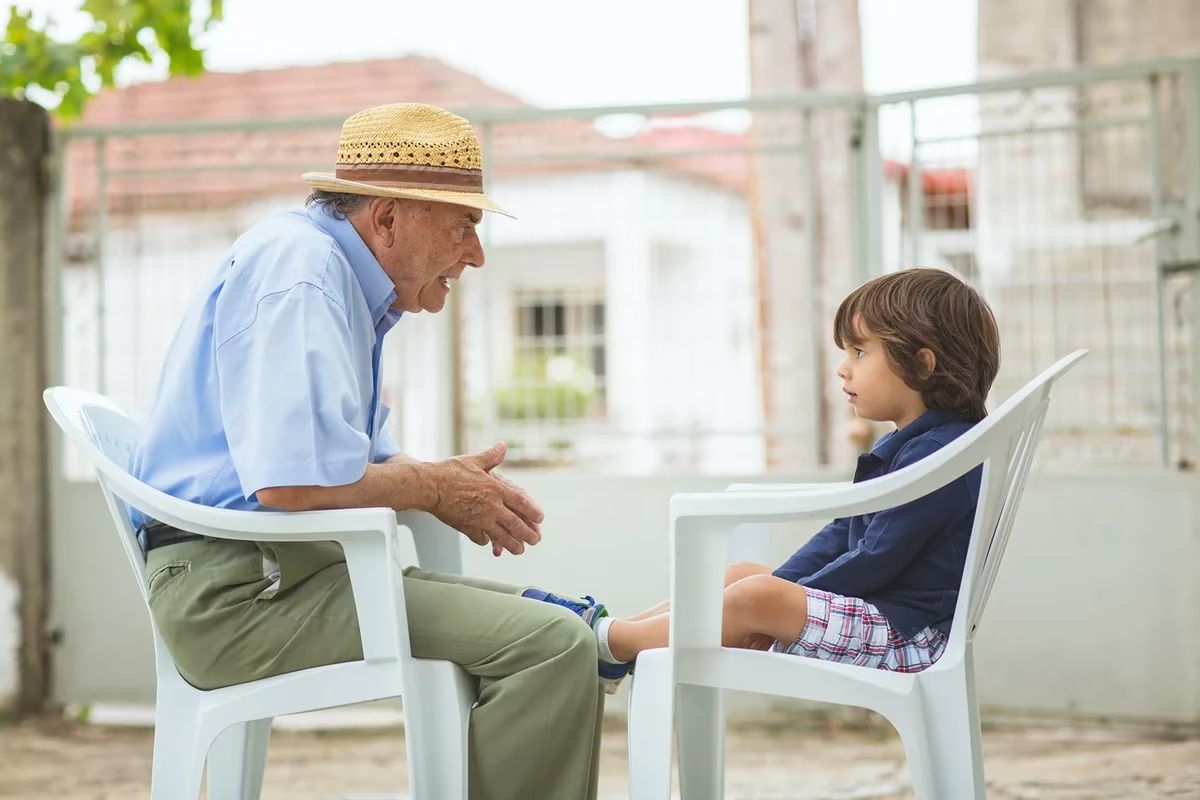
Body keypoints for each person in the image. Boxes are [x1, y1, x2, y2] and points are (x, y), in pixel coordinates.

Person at [129, 103, 605, 800]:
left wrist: (437, 481)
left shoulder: (335, 277)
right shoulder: (304, 272)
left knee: (565, 628)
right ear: (386, 219)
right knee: (551, 647)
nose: (475, 253)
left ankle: (607, 636)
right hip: (241, 595)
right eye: (464, 223)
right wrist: (433, 487)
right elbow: (292, 486)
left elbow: (358, 470)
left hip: (287, 575)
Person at [526, 267, 1001, 682]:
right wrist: (782, 592)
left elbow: (877, 556)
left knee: (757, 594)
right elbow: (843, 535)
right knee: (742, 576)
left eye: (859, 353)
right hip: (881, 617)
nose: (843, 369)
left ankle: (613, 641)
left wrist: (778, 605)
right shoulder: (916, 445)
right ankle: (622, 633)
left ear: (921, 363)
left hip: (908, 636)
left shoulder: (942, 454)